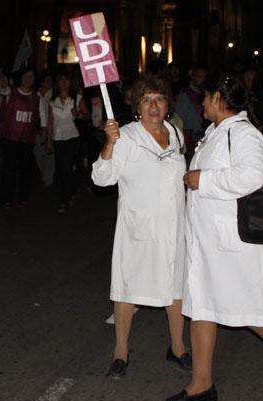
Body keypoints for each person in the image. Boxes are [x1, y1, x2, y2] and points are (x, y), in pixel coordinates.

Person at [166, 76, 263, 401]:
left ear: (218, 98)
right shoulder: (217, 132)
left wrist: (205, 179)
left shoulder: (245, 134)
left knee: (252, 310)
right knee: (202, 305)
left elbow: (251, 176)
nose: (201, 104)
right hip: (207, 241)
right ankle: (202, 383)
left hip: (235, 242)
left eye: (205, 98)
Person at [91, 75, 191, 379]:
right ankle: (120, 352)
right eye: (146, 99)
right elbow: (102, 178)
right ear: (137, 106)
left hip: (174, 227)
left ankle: (177, 348)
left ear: (167, 104)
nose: (153, 105)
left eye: (159, 99)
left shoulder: (174, 133)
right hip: (139, 228)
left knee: (175, 288)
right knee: (127, 288)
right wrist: (109, 143)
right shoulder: (126, 136)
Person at [0, 67, 45, 208]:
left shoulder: (37, 96)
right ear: (21, 77)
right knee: (9, 169)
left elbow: (42, 114)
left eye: (31, 76)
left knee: (25, 169)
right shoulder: (11, 92)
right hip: (10, 137)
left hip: (27, 138)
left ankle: (23, 197)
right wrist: (4, 84)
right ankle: (7, 198)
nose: (28, 79)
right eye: (26, 76)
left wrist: (43, 129)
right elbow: (3, 90)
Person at [46, 72, 88, 214]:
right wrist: (48, 141)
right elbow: (50, 122)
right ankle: (73, 190)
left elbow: (87, 115)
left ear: (70, 83)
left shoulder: (77, 98)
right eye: (61, 80)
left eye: (66, 80)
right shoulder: (53, 100)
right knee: (63, 169)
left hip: (73, 137)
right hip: (58, 138)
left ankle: (63, 200)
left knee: (66, 167)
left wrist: (79, 114)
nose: (64, 82)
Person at [175, 64, 207, 157]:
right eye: (199, 76)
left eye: (204, 77)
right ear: (192, 77)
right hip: (191, 138)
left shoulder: (207, 94)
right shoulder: (185, 95)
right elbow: (179, 120)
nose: (202, 80)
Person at [33, 72, 55, 187]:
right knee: (38, 153)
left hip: (52, 128)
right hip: (38, 128)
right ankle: (44, 174)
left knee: (50, 154)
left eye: (50, 80)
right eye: (47, 80)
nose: (49, 82)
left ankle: (48, 179)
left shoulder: (53, 94)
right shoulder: (35, 94)